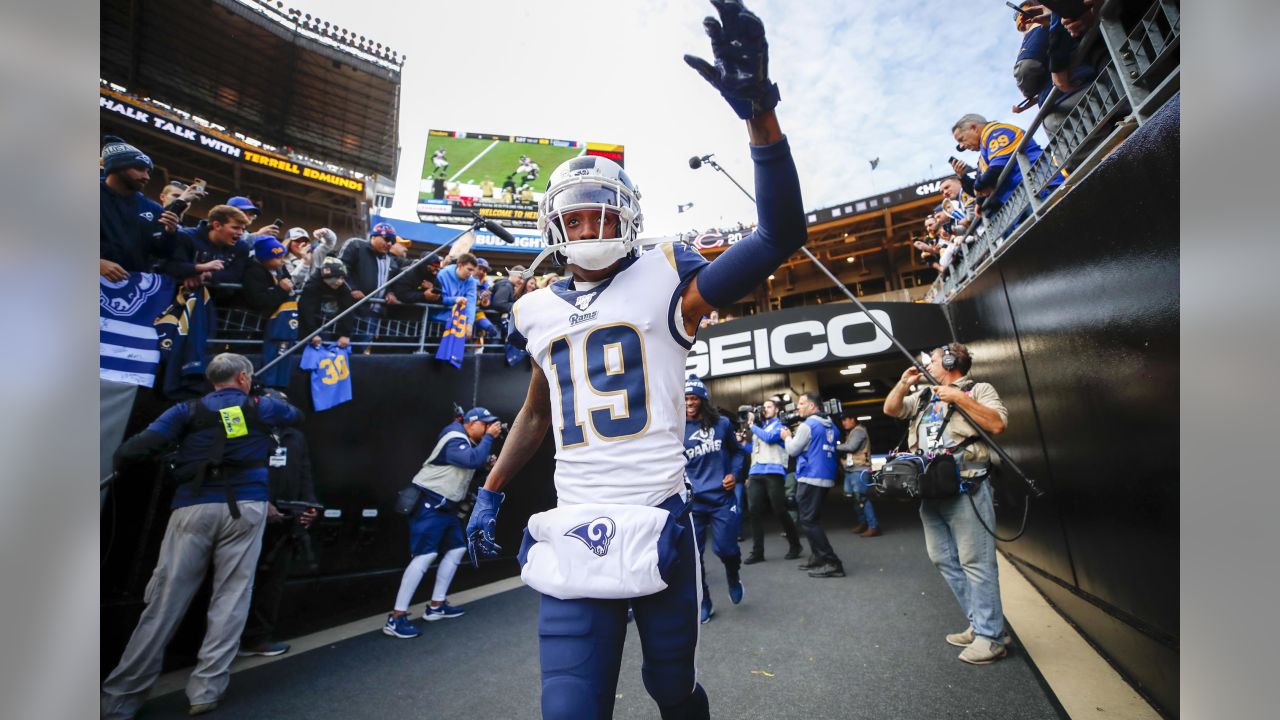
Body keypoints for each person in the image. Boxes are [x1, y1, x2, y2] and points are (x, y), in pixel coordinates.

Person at [463, 3, 806, 716]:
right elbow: (536, 412)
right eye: (578, 215)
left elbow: (779, 234)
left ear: (630, 217)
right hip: (577, 521)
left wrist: (759, 117)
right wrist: (492, 488)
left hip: (660, 517)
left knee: (670, 690)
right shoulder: (535, 310)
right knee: (569, 707)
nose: (591, 225)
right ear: (556, 224)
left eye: (604, 212)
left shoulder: (665, 282)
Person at [101, 354, 303, 719]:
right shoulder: (263, 407)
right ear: (243, 377)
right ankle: (206, 690)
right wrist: (256, 395)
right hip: (247, 508)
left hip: (192, 508)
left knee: (165, 601)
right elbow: (295, 416)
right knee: (231, 598)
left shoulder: (185, 411)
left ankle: (121, 698)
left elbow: (134, 449)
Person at [883, 343, 1011, 665]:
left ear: (952, 362)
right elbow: (891, 410)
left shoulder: (978, 389)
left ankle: (992, 638)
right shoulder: (925, 395)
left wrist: (959, 398)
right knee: (943, 558)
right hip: (929, 490)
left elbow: (997, 424)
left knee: (976, 563)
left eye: (935, 360)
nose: (929, 364)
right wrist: (903, 384)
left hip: (967, 487)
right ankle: (982, 623)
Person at [385, 407, 502, 639]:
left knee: (457, 549)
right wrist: (489, 439)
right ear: (472, 423)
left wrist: (485, 465)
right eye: (485, 424)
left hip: (446, 507)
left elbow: (467, 469)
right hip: (429, 503)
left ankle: (436, 606)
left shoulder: (466, 442)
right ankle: (396, 617)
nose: (489, 429)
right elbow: (471, 460)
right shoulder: (453, 436)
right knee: (425, 556)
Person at [239, 393, 319, 657]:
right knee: (237, 581)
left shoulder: (295, 437)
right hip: (249, 515)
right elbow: (234, 468)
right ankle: (232, 639)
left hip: (285, 521)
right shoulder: (246, 431)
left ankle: (257, 637)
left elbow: (304, 472)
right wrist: (262, 502)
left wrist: (309, 506)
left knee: (271, 583)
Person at [682, 377, 744, 624]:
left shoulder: (722, 424)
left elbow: (738, 452)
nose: (689, 403)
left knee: (726, 548)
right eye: (685, 398)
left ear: (703, 400)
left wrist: (734, 474)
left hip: (721, 498)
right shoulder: (676, 428)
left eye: (694, 398)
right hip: (693, 503)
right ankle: (704, 600)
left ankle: (733, 574)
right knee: (693, 557)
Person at [99, 136, 182, 281]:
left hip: (129, 289)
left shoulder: (153, 208)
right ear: (117, 167)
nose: (146, 177)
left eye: (148, 171)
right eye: (139, 169)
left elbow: (162, 253)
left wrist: (170, 233)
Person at [781, 393, 844, 578]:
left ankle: (832, 562)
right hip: (825, 476)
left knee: (808, 520)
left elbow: (793, 450)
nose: (797, 407)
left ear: (811, 406)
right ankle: (818, 557)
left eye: (801, 403)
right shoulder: (831, 424)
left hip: (810, 476)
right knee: (812, 519)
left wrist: (786, 437)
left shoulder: (807, 425)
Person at [950, 114, 1063, 213]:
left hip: (1042, 188)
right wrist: (963, 177)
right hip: (1023, 201)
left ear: (974, 128)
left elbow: (994, 172)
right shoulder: (984, 154)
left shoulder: (996, 132)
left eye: (961, 139)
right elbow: (979, 189)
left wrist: (980, 186)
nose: (961, 146)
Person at [742, 397, 803, 565]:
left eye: (769, 407)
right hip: (755, 472)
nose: (766, 409)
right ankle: (757, 552)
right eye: (764, 407)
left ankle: (795, 545)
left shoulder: (781, 426)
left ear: (776, 410)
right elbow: (755, 450)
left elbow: (769, 438)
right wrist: (741, 444)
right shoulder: (759, 429)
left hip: (774, 471)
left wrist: (752, 426)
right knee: (754, 510)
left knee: (779, 510)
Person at [340, 222, 402, 350]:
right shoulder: (357, 246)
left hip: (373, 314)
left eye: (392, 241)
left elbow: (390, 284)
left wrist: (390, 293)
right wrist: (352, 289)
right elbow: (341, 268)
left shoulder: (392, 261)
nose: (390, 243)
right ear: (373, 237)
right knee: (339, 347)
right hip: (351, 309)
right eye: (386, 239)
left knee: (359, 351)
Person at [298, 257, 355, 350]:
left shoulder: (344, 288)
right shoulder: (312, 285)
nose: (339, 282)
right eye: (336, 277)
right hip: (309, 328)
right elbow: (306, 309)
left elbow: (348, 310)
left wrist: (345, 334)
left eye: (342, 278)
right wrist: (313, 333)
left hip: (330, 327)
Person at [837, 414, 880, 537]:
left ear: (853, 420)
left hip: (859, 469)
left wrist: (834, 447)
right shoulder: (851, 432)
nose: (843, 423)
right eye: (842, 421)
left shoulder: (859, 431)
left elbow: (851, 447)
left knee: (861, 497)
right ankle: (863, 522)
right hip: (851, 469)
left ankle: (873, 526)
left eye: (846, 420)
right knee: (853, 497)